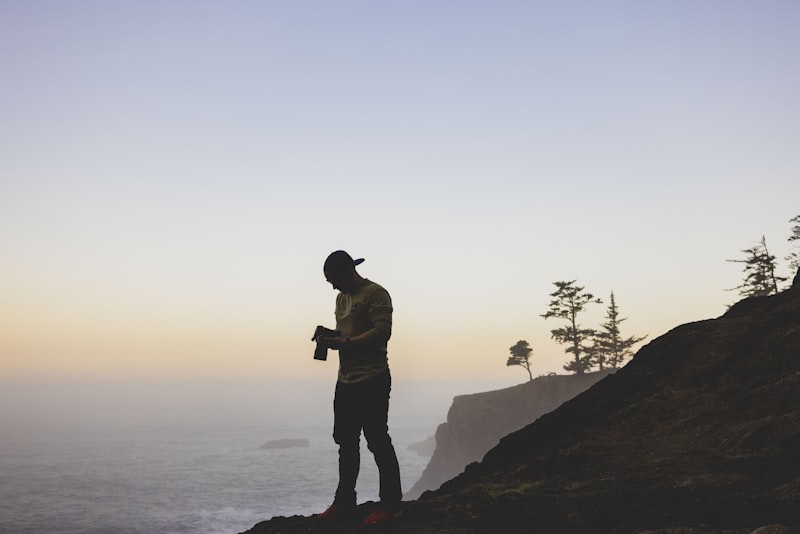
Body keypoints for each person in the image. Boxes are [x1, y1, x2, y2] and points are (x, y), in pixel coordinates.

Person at [316, 250, 402, 526]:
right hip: (346, 381)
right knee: (346, 443)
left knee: (377, 439)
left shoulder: (376, 294)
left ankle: (389, 504)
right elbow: (348, 332)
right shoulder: (341, 298)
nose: (331, 286)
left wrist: (349, 343)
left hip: (373, 378)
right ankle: (344, 502)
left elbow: (382, 331)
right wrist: (332, 336)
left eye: (333, 279)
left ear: (347, 272)